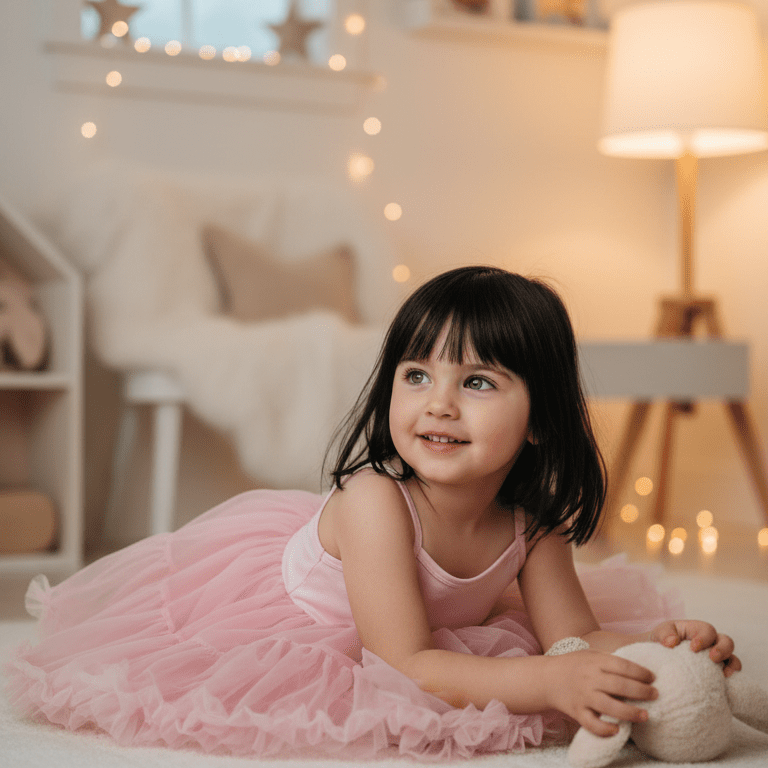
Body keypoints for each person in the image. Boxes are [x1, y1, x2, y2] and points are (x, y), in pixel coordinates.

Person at [7, 266, 739, 760]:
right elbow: (405, 662)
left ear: (541, 419)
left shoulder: (531, 521)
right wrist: (549, 684)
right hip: (311, 625)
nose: (438, 403)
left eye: (478, 381)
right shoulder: (375, 501)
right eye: (416, 374)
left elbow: (572, 638)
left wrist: (659, 651)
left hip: (419, 631)